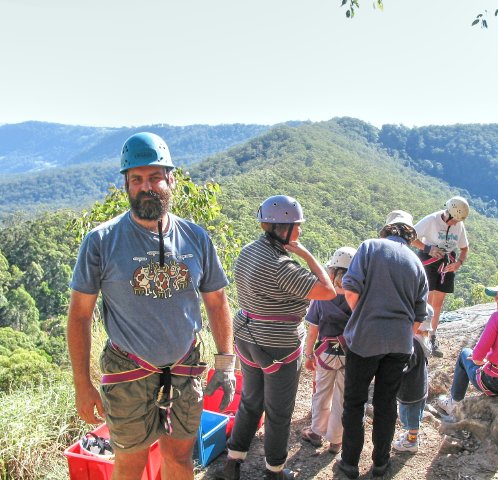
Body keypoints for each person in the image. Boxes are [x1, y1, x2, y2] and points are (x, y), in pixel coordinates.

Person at [67, 132, 236, 480]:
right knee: (130, 464)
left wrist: (225, 364)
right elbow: (80, 316)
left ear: (171, 180)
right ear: (126, 185)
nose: (147, 186)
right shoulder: (101, 241)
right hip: (128, 372)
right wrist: (82, 385)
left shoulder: (195, 238)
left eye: (155, 177)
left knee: (180, 459)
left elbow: (217, 302)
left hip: (185, 368)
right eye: (137, 179)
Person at [215, 195, 335, 480]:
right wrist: (306, 254)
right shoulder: (283, 267)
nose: (301, 231)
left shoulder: (247, 252)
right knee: (278, 411)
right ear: (283, 229)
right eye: (298, 226)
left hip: (246, 337)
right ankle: (275, 471)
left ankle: (233, 462)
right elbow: (328, 290)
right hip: (278, 345)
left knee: (251, 400)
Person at [338, 210, 429, 479]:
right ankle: (380, 464)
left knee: (354, 403)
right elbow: (418, 317)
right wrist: (400, 332)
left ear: (388, 229)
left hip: (365, 338)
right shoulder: (417, 263)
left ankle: (349, 464)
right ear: (410, 234)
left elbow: (351, 290)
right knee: (386, 403)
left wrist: (362, 317)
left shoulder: (369, 247)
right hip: (400, 344)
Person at [435, 279, 498, 417]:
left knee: (464, 354)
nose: (496, 299)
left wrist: (483, 361)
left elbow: (477, 357)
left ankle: (454, 404)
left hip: (496, 383)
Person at [300, 246, 357, 455]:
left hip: (325, 352)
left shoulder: (322, 295)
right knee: (342, 397)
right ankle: (336, 441)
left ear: (332, 271)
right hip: (349, 354)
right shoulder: (358, 298)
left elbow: (313, 329)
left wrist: (308, 355)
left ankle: (316, 433)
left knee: (322, 393)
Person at [412, 196, 470, 357]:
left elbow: (464, 248)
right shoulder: (432, 220)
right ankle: (418, 335)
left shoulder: (459, 225)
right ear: (449, 213)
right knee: (426, 300)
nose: (456, 224)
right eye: (454, 221)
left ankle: (432, 336)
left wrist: (458, 263)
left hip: (446, 263)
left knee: (438, 302)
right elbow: (411, 236)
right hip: (428, 262)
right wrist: (427, 248)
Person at [392, 305, 433, 454]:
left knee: (410, 416)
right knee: (414, 414)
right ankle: (411, 436)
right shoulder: (424, 340)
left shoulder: (413, 343)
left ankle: (411, 442)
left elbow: (405, 365)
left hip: (411, 389)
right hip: (420, 386)